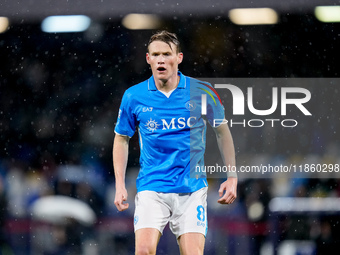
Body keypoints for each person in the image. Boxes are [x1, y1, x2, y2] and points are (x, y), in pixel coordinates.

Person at [113, 30, 237, 255]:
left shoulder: (202, 91)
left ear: (179, 58)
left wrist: (232, 177)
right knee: (143, 251)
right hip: (153, 186)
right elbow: (121, 138)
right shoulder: (134, 96)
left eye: (167, 54)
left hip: (191, 190)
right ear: (148, 59)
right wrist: (120, 184)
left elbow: (222, 132)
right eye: (156, 54)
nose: (161, 59)